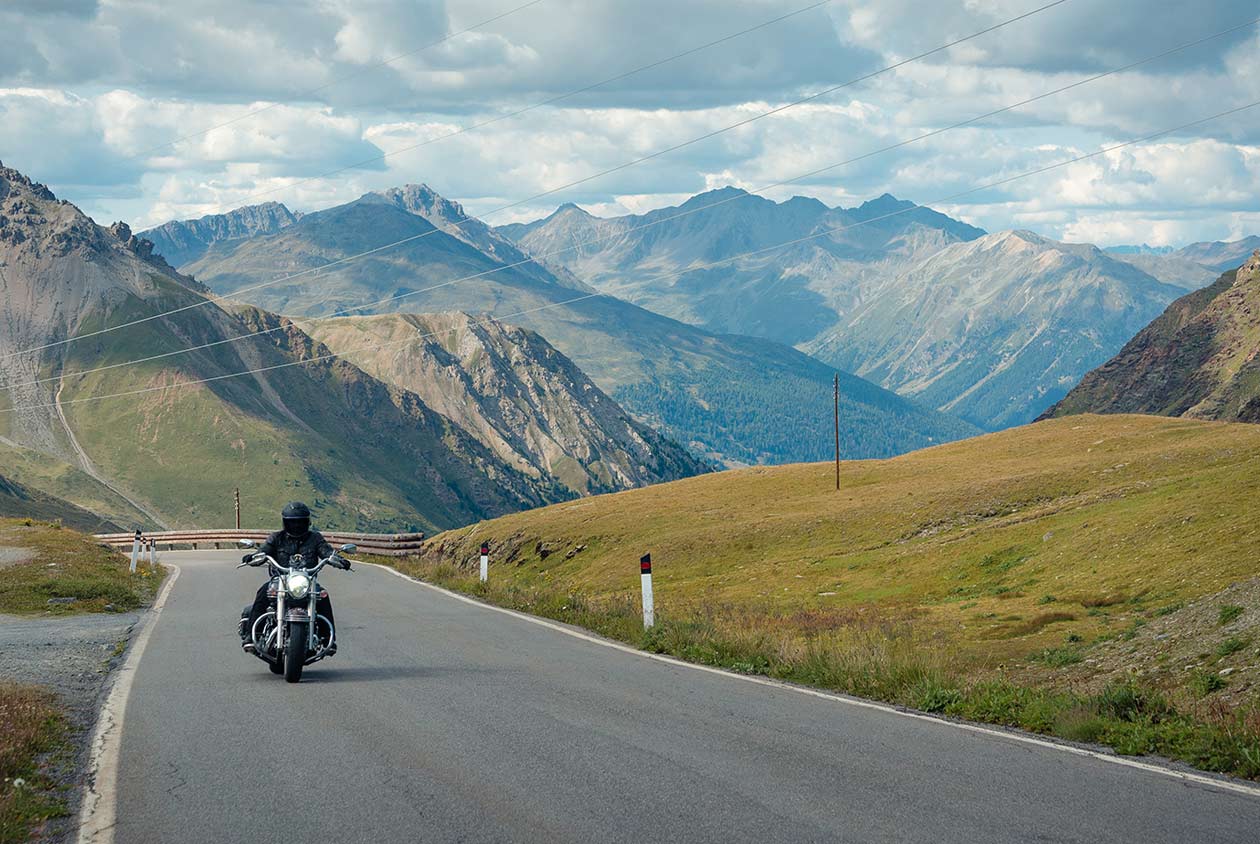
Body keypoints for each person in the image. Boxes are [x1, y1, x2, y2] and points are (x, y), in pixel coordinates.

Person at [239, 501, 350, 655]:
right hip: (280, 580)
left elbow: (326, 551)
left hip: (307, 581)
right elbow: (265, 550)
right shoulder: (276, 538)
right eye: (293, 522)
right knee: (263, 593)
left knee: (323, 596)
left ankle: (327, 639)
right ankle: (251, 636)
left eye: (300, 522)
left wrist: (337, 559)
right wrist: (253, 556)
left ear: (307, 522)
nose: (297, 525)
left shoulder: (315, 538)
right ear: (286, 522)